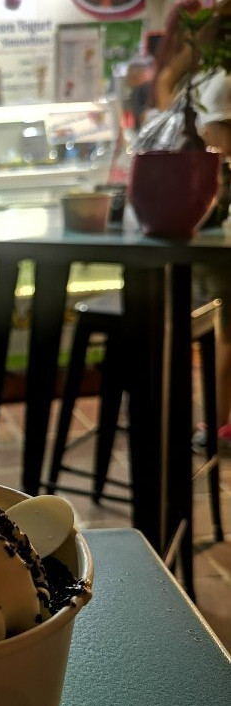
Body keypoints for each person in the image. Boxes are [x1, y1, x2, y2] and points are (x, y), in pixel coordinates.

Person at [151, 0, 231, 450]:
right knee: (224, 318)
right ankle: (216, 422)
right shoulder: (207, 82)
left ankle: (212, 423)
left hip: (201, 219)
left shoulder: (204, 81)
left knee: (220, 318)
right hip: (209, 219)